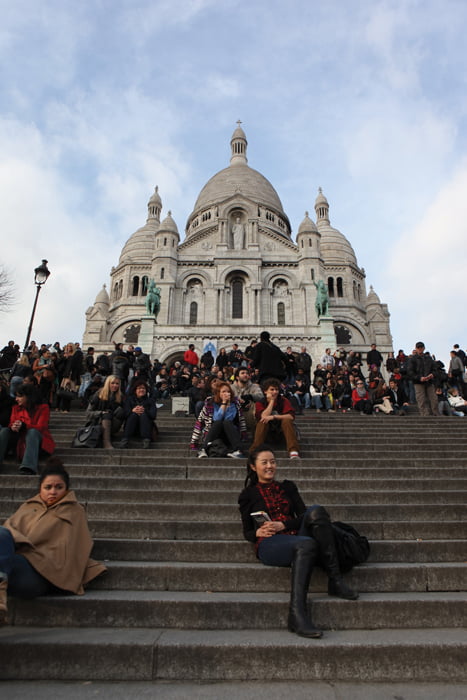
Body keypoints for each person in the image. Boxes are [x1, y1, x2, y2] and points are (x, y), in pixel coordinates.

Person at [238, 445, 359, 639]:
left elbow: (303, 517)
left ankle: (335, 580)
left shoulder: (288, 486)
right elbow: (247, 531)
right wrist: (258, 531)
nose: (270, 466)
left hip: (293, 533)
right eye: (265, 462)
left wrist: (282, 525)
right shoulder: (247, 495)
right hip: (270, 544)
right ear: (254, 467)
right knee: (307, 544)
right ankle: (297, 615)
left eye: (273, 461)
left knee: (316, 511)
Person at [0, 458, 106, 624]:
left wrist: (27, 545)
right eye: (47, 487)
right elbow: (8, 531)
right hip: (13, 566)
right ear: (40, 489)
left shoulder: (74, 511)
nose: (53, 492)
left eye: (59, 487)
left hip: (41, 574)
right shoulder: (28, 507)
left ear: (66, 489)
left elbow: (74, 548)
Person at [0, 384, 55, 475]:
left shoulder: (43, 408)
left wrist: (24, 425)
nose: (16, 399)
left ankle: (29, 466)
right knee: (5, 431)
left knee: (32, 432)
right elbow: (11, 422)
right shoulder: (15, 408)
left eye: (20, 396)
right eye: (16, 396)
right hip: (20, 441)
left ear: (29, 396)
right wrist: (13, 426)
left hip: (38, 442)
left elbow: (41, 427)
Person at [190, 381, 246, 459]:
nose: (226, 393)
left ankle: (239, 450)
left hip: (229, 434)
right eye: (223, 391)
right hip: (214, 434)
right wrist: (194, 442)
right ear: (218, 393)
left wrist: (228, 404)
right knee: (218, 422)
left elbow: (229, 418)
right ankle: (204, 449)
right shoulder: (211, 404)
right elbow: (215, 419)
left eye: (228, 391)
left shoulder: (234, 404)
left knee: (227, 422)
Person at [250, 378, 300, 459]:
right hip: (266, 433)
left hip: (281, 432)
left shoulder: (284, 400)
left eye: (276, 389)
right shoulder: (260, 402)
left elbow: (291, 416)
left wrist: (274, 417)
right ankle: (255, 451)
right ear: (265, 391)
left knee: (287, 420)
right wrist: (272, 401)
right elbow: (263, 416)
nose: (275, 392)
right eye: (272, 390)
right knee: (263, 421)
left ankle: (293, 451)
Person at [86, 375, 124, 449]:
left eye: (117, 383)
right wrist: (101, 413)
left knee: (121, 411)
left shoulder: (120, 396)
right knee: (107, 414)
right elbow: (88, 413)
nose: (115, 385)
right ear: (108, 383)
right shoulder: (99, 394)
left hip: (114, 423)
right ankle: (106, 442)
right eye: (112, 383)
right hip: (99, 422)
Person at [119, 380, 157, 448]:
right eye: (139, 388)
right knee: (133, 414)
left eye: (143, 388)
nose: (142, 390)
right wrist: (132, 411)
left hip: (146, 427)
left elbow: (153, 415)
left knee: (143, 415)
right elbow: (124, 414)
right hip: (132, 427)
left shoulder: (150, 401)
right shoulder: (129, 400)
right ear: (135, 390)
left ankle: (146, 441)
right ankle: (125, 440)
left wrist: (144, 411)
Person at [407, 342, 438, 416]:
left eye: (421, 347)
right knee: (421, 400)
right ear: (416, 348)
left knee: (434, 399)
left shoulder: (429, 358)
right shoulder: (412, 359)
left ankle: (435, 413)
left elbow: (435, 369)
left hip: (429, 381)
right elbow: (410, 372)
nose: (420, 349)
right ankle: (424, 415)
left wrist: (432, 374)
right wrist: (419, 378)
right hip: (418, 382)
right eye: (418, 348)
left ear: (424, 348)